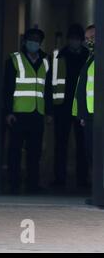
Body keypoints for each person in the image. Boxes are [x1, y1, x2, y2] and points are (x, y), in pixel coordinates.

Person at [4, 28, 53, 194]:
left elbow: (48, 88)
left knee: (35, 152)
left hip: (37, 113)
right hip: (18, 113)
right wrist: (8, 112)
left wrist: (49, 112)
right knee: (15, 151)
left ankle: (33, 184)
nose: (34, 42)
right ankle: (14, 183)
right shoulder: (14, 60)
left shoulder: (45, 61)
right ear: (25, 41)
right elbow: (7, 88)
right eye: (31, 39)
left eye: (37, 40)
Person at [52, 24, 90, 188]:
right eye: (72, 38)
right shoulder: (59, 56)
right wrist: (50, 110)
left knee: (83, 145)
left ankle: (82, 179)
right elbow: (50, 83)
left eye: (77, 38)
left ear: (81, 40)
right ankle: (59, 179)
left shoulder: (88, 57)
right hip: (62, 108)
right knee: (61, 145)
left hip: (81, 107)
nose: (74, 41)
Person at [73, 24, 95, 185]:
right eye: (87, 39)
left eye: (92, 38)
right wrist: (81, 114)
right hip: (89, 114)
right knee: (91, 153)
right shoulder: (92, 57)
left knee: (97, 154)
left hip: (97, 115)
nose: (89, 42)